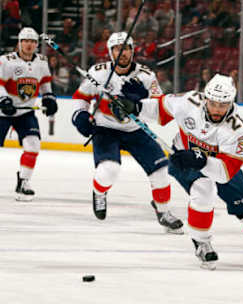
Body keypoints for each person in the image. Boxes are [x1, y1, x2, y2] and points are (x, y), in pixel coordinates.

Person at [121, 74, 243, 270]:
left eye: (222, 105)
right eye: (213, 103)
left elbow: (225, 173)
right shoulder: (188, 102)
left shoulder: (237, 131)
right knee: (204, 190)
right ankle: (202, 242)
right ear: (205, 98)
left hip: (220, 166)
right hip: (184, 159)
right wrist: (136, 108)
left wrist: (202, 160)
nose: (217, 109)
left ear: (231, 103)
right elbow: (161, 108)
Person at [70, 31, 183, 234]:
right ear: (110, 52)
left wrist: (138, 102)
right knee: (109, 171)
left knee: (161, 172)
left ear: (133, 50)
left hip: (136, 130)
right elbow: (81, 97)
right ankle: (99, 192)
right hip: (106, 129)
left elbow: (160, 107)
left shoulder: (146, 76)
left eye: (127, 48)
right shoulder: (98, 72)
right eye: (117, 48)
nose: (123, 53)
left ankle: (164, 211)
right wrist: (79, 115)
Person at [0, 27, 58, 201]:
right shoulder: (6, 61)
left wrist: (49, 98)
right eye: (25, 41)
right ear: (19, 43)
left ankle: (24, 182)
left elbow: (45, 83)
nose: (29, 44)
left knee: (33, 145)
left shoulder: (42, 61)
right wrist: (3, 100)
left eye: (32, 41)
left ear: (36, 44)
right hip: (3, 112)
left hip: (25, 113)